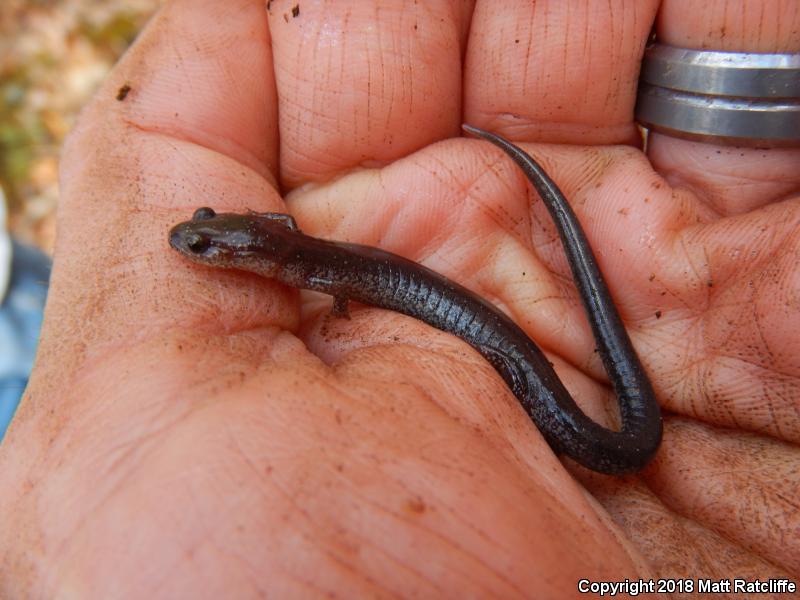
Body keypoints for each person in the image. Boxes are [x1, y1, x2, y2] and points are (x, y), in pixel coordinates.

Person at [1, 0, 798, 596]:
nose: (196, 246)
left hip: (552, 403)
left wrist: (339, 306)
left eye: (210, 241)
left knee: (565, 408)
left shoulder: (305, 268)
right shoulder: (295, 255)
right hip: (472, 337)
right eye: (207, 238)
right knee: (542, 377)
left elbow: (318, 266)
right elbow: (294, 239)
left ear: (252, 252)